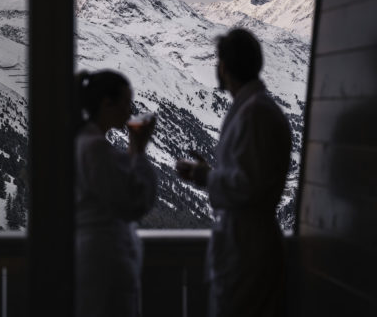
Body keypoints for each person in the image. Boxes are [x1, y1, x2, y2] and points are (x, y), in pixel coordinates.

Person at [176, 28, 291, 317]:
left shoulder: (254, 113)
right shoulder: (256, 108)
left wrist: (206, 176)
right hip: (247, 245)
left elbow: (248, 186)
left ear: (224, 66)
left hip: (247, 249)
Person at [74, 69, 157, 317]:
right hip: (105, 258)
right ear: (106, 103)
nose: (130, 111)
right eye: (126, 103)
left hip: (94, 255)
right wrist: (138, 151)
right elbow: (136, 202)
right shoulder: (96, 149)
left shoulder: (82, 142)